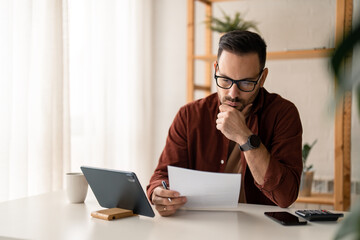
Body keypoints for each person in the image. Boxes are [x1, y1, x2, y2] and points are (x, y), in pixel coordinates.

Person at [147, 30, 303, 217]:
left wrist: (244, 136)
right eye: (225, 80)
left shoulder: (283, 114)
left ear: (262, 78)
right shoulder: (189, 116)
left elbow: (286, 195)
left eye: (246, 83)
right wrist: (158, 193)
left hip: (262, 230)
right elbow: (162, 177)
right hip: (200, 228)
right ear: (216, 69)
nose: (233, 93)